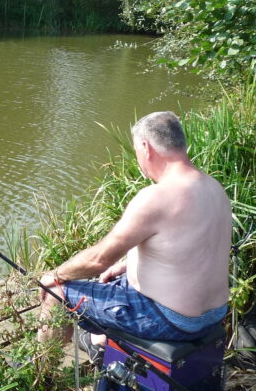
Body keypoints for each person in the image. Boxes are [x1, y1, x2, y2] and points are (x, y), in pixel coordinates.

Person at [37, 111, 232, 351]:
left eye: (137, 151)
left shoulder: (156, 197)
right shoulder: (214, 188)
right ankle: (99, 342)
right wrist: (126, 265)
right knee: (116, 276)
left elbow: (99, 259)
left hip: (170, 320)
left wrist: (55, 275)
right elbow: (191, 248)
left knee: (57, 293)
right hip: (213, 314)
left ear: (145, 147)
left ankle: (43, 372)